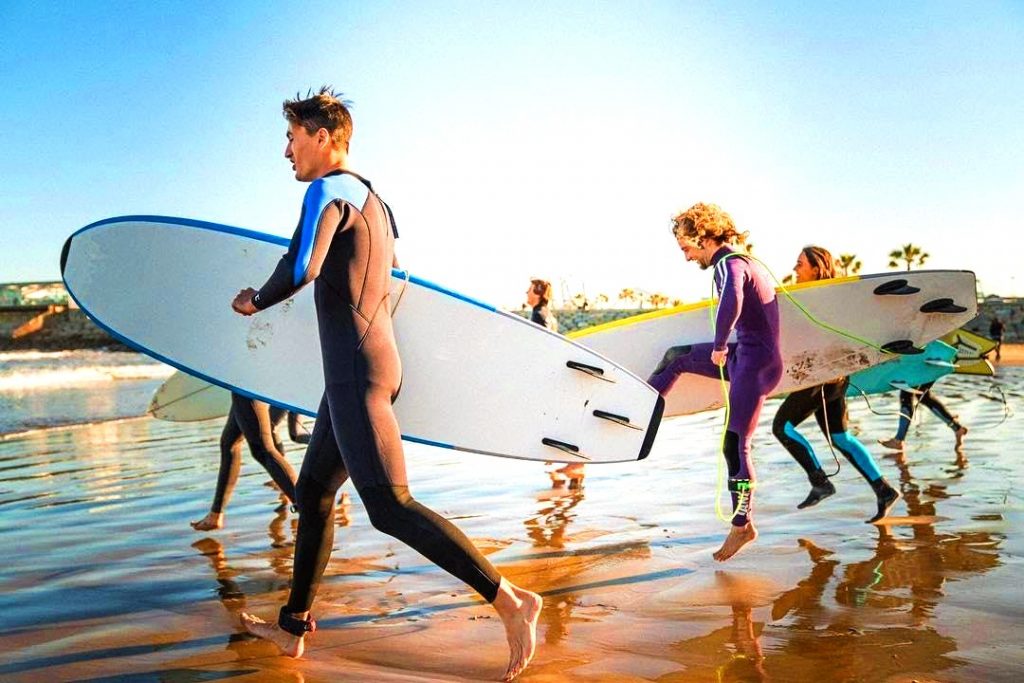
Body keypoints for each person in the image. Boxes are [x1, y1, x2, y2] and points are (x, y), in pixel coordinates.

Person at [229, 88, 541, 679]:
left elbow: (303, 266)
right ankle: (293, 627)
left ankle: (511, 600)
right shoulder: (372, 199)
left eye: (293, 138)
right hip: (367, 367)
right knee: (316, 495)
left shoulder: (328, 189)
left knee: (389, 506)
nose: (286, 151)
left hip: (355, 375)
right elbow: (350, 269)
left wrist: (256, 301)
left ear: (325, 138)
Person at [647, 202, 783, 562]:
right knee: (677, 357)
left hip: (752, 365)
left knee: (735, 443)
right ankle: (641, 408)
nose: (687, 257)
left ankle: (743, 525)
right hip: (747, 358)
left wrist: (721, 344)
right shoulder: (745, 262)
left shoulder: (730, 263)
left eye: (686, 248)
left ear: (703, 236)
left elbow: (733, 298)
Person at [771, 246, 900, 524]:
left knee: (782, 427)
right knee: (840, 438)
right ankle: (884, 490)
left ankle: (820, 482)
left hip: (823, 376)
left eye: (800, 264)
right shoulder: (822, 299)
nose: (795, 269)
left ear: (816, 269)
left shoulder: (821, 300)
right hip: (835, 376)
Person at [190, 393, 304, 531]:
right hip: (240, 383)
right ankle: (215, 514)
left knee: (263, 450)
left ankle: (310, 513)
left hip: (245, 381)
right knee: (229, 444)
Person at [526, 278, 584, 489]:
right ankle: (566, 476)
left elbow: (543, 349)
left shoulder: (538, 315)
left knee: (547, 426)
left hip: (546, 380)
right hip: (552, 378)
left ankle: (570, 468)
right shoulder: (548, 315)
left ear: (539, 293)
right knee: (553, 425)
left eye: (529, 290)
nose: (526, 293)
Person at [878, 380, 968, 453]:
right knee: (923, 395)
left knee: (907, 393)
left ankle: (898, 440)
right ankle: (957, 428)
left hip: (925, 360)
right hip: (932, 360)